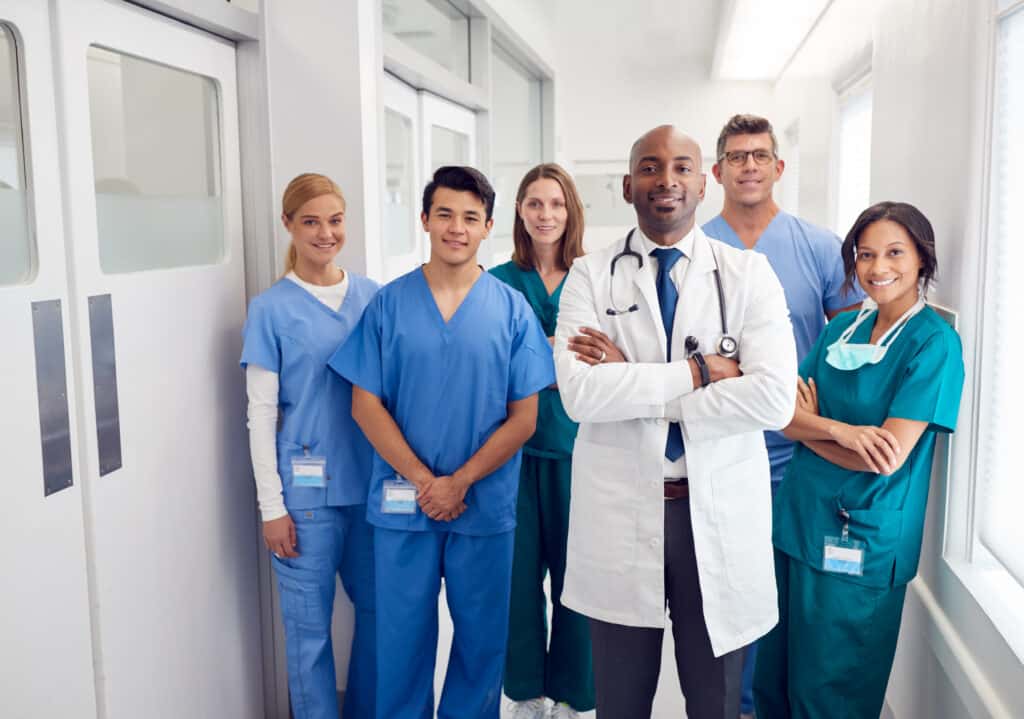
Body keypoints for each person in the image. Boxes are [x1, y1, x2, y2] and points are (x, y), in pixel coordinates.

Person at [554, 125, 797, 719]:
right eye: (651, 167)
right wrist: (701, 371)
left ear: (703, 181)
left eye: (682, 166)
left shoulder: (748, 276)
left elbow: (773, 402)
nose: (667, 180)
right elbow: (581, 397)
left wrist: (633, 380)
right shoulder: (589, 275)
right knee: (620, 702)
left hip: (713, 513)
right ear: (627, 184)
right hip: (621, 512)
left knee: (715, 703)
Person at [329, 166, 556, 719]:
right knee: (400, 642)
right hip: (404, 504)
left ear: (489, 228)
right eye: (446, 215)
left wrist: (460, 482)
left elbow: (524, 418)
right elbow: (365, 405)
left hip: (483, 504)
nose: (457, 227)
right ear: (426, 220)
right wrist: (428, 482)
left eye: (471, 218)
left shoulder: (510, 310)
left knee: (481, 644)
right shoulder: (388, 305)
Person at [754, 201, 965, 719]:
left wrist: (811, 432)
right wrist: (840, 432)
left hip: (861, 542)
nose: (877, 268)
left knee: (831, 691)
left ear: (922, 259)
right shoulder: (839, 330)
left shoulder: (933, 346)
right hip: (799, 522)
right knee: (774, 680)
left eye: (894, 253)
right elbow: (782, 415)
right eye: (865, 254)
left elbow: (885, 456)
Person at [702, 113, 863, 718]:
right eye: (737, 157)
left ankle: (779, 701)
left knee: (791, 584)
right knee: (728, 584)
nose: (748, 166)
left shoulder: (818, 246)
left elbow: (850, 343)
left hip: (798, 450)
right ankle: (738, 704)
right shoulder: (700, 245)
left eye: (759, 155)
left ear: (778, 167)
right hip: (718, 442)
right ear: (717, 171)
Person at [240, 173, 379, 719]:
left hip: (371, 490)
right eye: (311, 221)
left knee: (380, 617)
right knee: (308, 634)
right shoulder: (270, 309)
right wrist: (271, 509)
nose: (326, 233)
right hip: (304, 500)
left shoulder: (373, 296)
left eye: (335, 220)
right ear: (289, 226)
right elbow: (259, 414)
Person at [490, 163, 593, 719]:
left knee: (579, 578)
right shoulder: (497, 281)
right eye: (534, 203)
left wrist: (537, 355)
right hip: (515, 451)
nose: (546, 214)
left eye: (556, 204)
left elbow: (602, 359)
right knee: (518, 576)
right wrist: (557, 355)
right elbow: (492, 365)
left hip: (582, 449)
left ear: (571, 211)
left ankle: (574, 696)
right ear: (520, 213)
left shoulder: (595, 278)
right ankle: (526, 692)